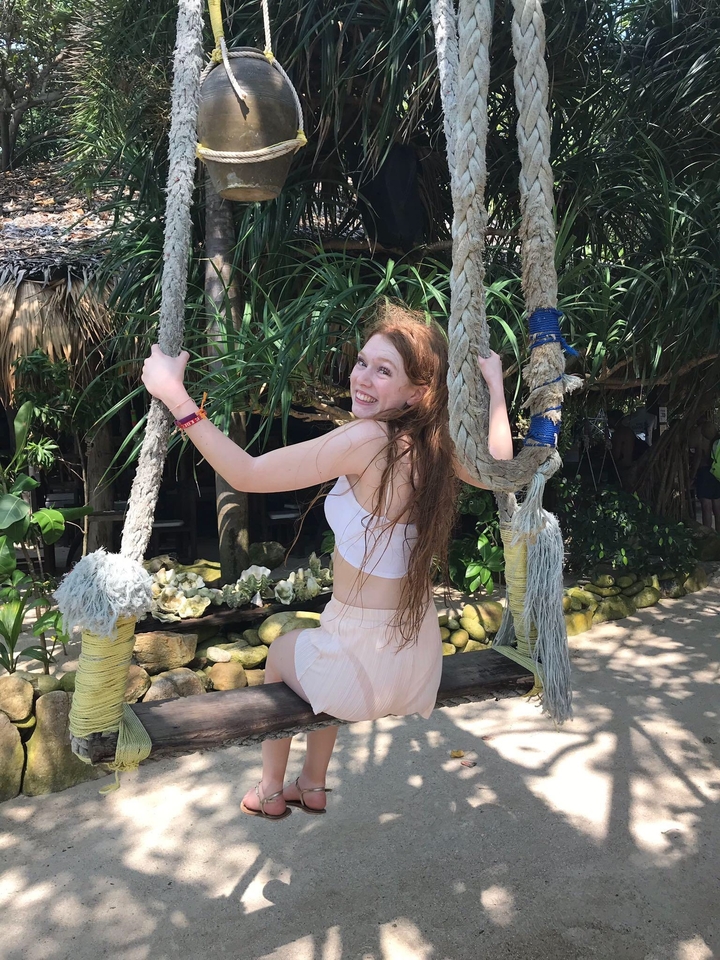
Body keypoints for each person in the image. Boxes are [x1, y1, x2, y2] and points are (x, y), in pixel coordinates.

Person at [141, 304, 514, 820]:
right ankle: (312, 784)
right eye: (363, 362)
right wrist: (495, 387)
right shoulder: (435, 443)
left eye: (384, 371)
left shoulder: (364, 439)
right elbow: (500, 470)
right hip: (417, 663)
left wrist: (174, 394)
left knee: (282, 656)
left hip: (364, 668)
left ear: (418, 392)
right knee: (322, 647)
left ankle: (271, 789)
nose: (362, 378)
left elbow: (245, 472)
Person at [689, 419, 720, 530]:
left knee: (706, 504)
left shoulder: (700, 434)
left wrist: (692, 476)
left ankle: (708, 533)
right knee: (717, 503)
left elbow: (697, 458)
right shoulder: (716, 436)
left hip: (705, 472)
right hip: (717, 472)